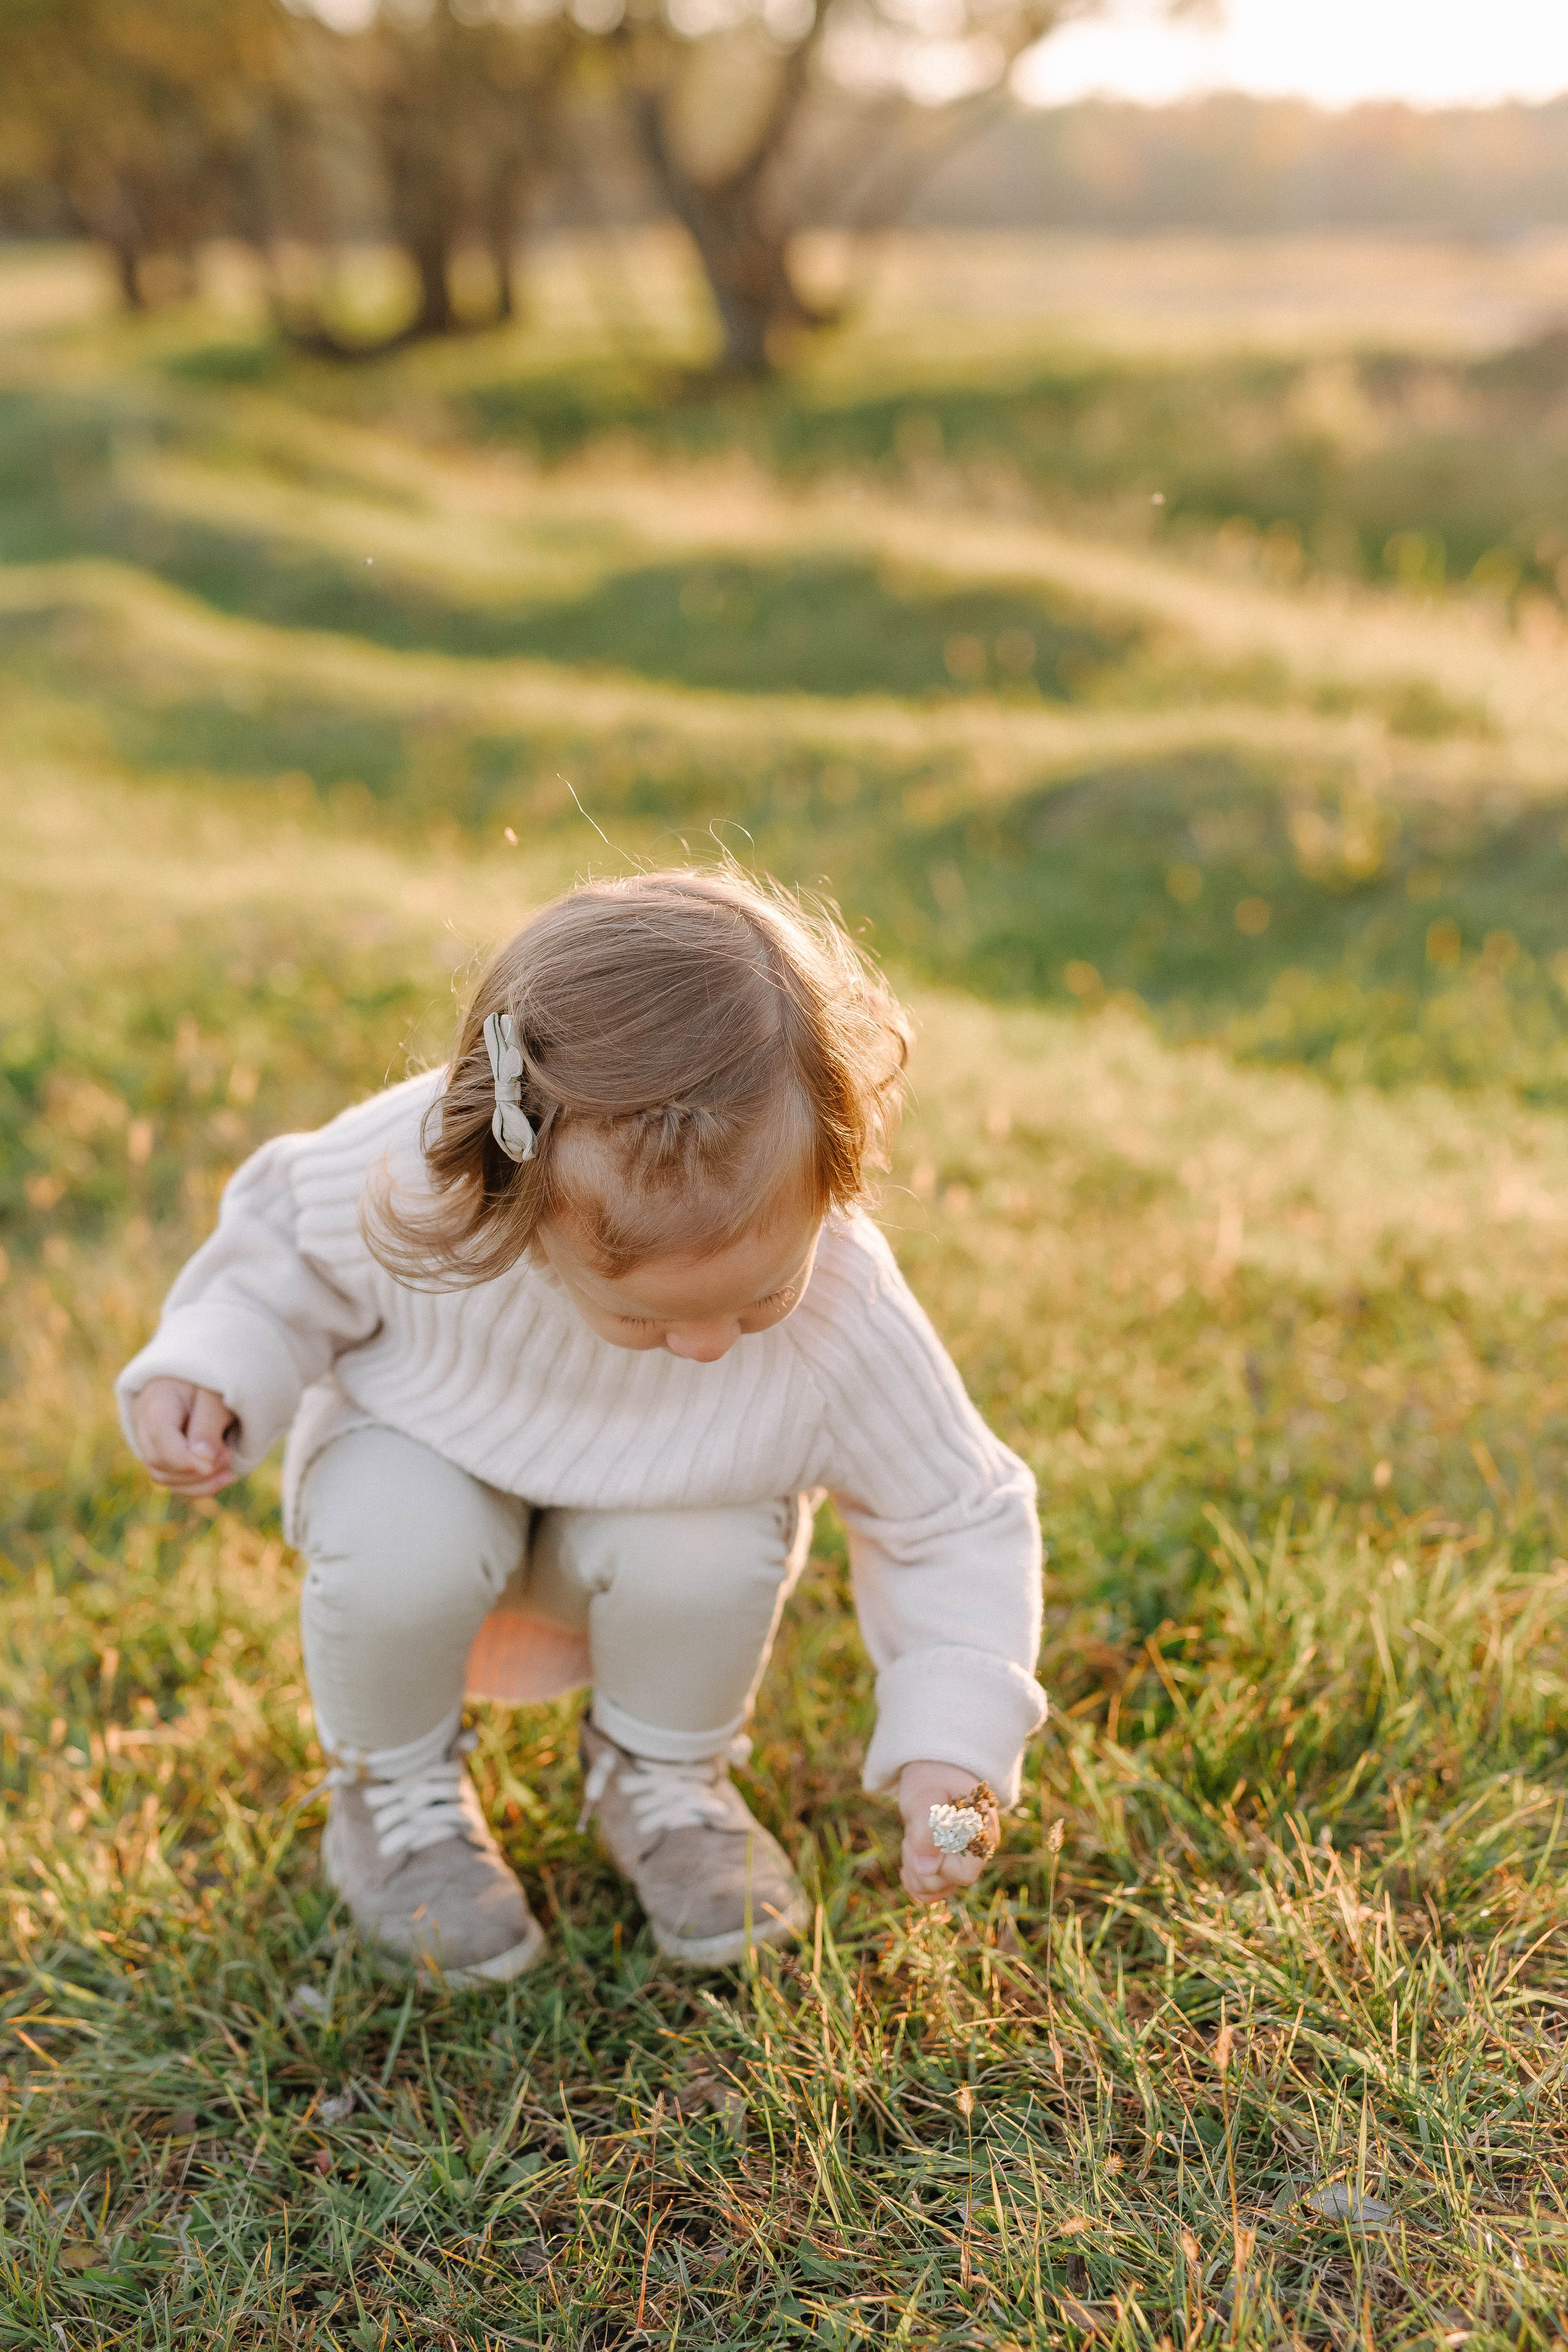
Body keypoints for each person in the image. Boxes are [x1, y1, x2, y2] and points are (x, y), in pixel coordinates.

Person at [117, 870, 1045, 1984]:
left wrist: (956, 1749)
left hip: (646, 1534)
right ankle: (394, 1796)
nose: (713, 1344)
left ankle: (663, 1778)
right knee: (399, 1530)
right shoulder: (429, 1186)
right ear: (521, 1206)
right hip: (424, 1475)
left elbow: (954, 1512)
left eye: (761, 1294)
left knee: (713, 1542)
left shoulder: (847, 1312)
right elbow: (277, 1263)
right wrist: (214, 1365)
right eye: (651, 1313)